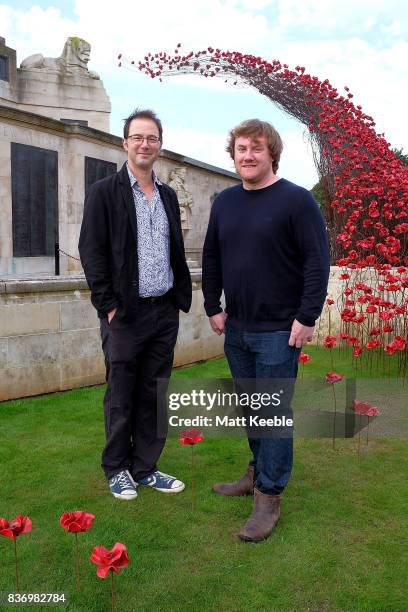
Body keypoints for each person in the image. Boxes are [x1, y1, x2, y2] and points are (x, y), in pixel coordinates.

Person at [202, 119, 330, 541]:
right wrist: (212, 306)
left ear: (271, 152)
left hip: (280, 331)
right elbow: (212, 258)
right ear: (233, 153)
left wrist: (307, 316)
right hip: (237, 328)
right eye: (241, 148)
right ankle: (256, 474)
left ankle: (268, 499)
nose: (248, 155)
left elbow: (316, 262)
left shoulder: (296, 201)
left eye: (256, 148)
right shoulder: (225, 202)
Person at [79, 109, 192, 500]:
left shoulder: (168, 196)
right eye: (138, 137)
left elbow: (172, 249)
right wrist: (108, 306)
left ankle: (145, 467)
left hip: (164, 312)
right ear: (125, 143)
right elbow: (91, 254)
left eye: (153, 138)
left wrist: (178, 300)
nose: (146, 144)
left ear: (160, 145)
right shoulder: (104, 193)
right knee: (122, 392)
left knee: (154, 393)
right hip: (124, 315)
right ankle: (117, 468)